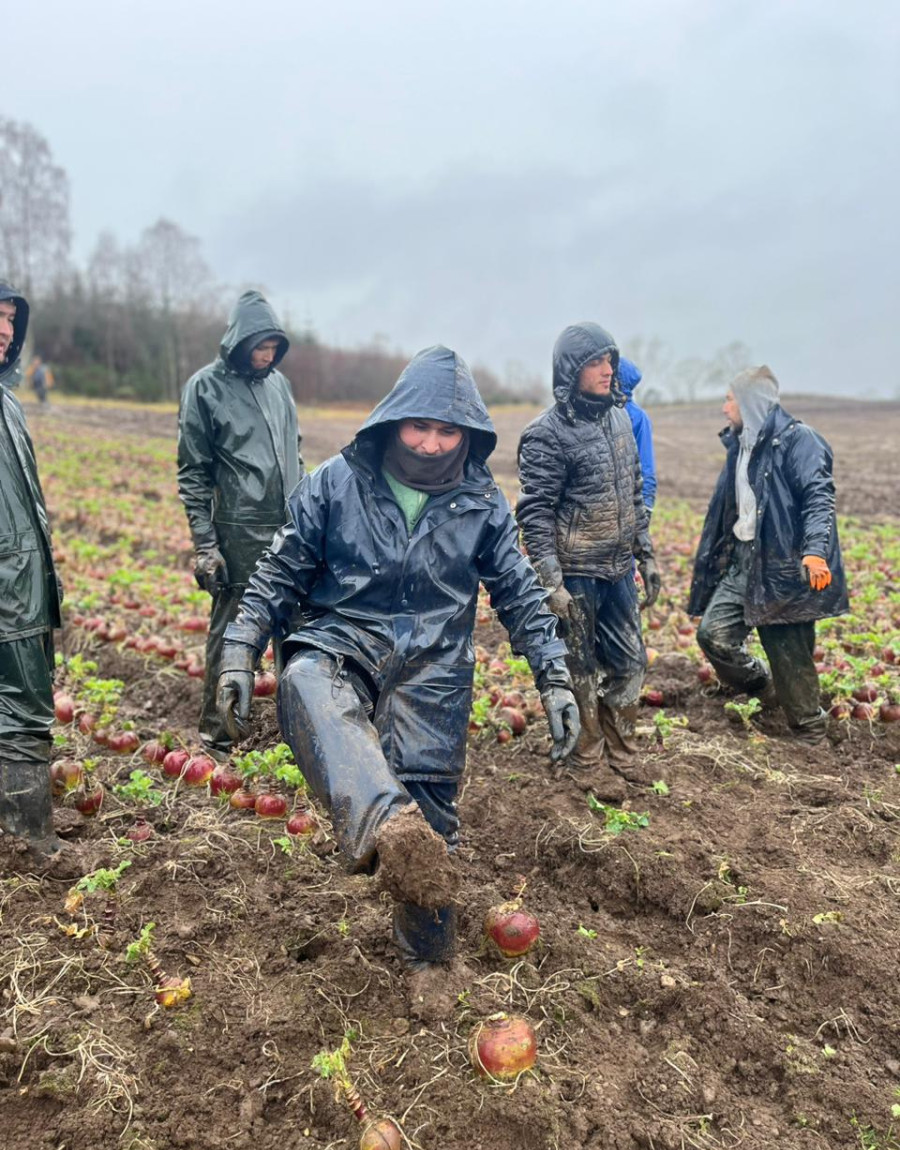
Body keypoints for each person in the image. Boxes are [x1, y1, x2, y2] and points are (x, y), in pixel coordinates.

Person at [215, 346, 580, 974]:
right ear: (393, 421)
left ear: (466, 433)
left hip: (434, 665)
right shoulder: (335, 482)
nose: (433, 444)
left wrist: (553, 677)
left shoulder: (481, 502)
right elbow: (279, 570)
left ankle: (429, 963)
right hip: (346, 636)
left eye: (446, 431)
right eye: (420, 427)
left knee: (431, 816)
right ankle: (382, 820)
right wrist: (239, 647)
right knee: (305, 679)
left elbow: (518, 591)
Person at [516, 322, 661, 788]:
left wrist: (647, 555)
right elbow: (535, 514)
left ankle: (622, 747)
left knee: (631, 662)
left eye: (610, 360)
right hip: (576, 572)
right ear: (570, 371)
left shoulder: (620, 418)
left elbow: (635, 493)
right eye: (595, 362)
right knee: (579, 668)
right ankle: (587, 757)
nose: (606, 370)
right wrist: (550, 582)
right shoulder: (546, 434)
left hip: (617, 568)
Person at [688, 365, 848, 744]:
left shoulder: (799, 441)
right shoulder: (740, 444)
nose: (725, 408)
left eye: (730, 399)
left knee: (787, 648)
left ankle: (810, 731)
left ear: (750, 402)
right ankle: (765, 687)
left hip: (783, 563)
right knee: (714, 635)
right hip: (745, 559)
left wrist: (814, 552)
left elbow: (819, 499)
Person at [177, 290, 304, 758]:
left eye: (274, 346)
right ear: (238, 341)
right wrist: (206, 545)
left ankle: (300, 731)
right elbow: (193, 472)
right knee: (233, 630)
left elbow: (297, 453)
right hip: (239, 533)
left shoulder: (280, 387)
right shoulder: (204, 388)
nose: (267, 355)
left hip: (291, 529)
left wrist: (309, 513)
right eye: (259, 346)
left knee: (297, 629)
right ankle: (219, 732)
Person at [0, 283, 65, 859]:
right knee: (22, 704)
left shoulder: (9, 403)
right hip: (6, 586)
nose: (3, 329)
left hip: (20, 579)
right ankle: (29, 840)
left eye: (9, 319)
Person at [619, 357, 657, 515]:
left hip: (629, 502)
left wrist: (647, 504)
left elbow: (646, 462)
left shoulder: (637, 417)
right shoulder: (602, 412)